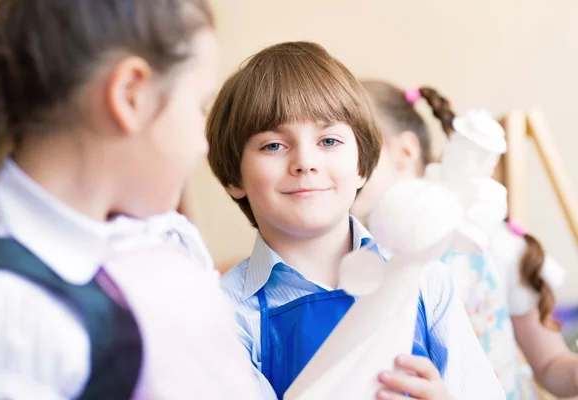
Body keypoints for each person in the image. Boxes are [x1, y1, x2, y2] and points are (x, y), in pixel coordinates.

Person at [0, 1, 259, 399]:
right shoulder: (11, 313)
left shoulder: (165, 234)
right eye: (201, 107)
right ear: (132, 94)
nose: (203, 144)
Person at [206, 41, 504, 400]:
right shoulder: (227, 313)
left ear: (362, 167)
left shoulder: (426, 279)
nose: (305, 162)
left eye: (328, 141)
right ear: (233, 178)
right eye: (273, 146)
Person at [351, 80, 577, 399]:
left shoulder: (488, 244)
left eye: (350, 146)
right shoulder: (351, 259)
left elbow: (552, 363)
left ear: (405, 150)